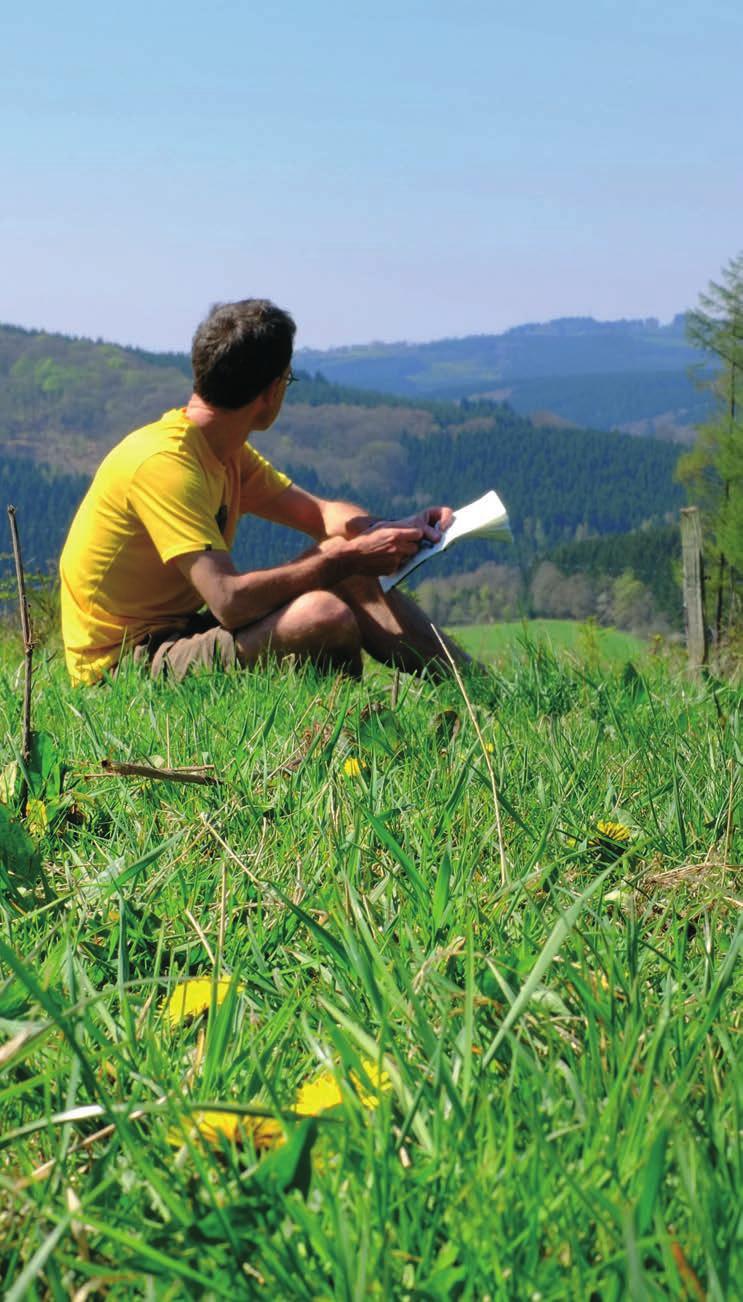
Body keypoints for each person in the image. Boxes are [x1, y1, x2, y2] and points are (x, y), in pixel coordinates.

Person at [60, 298, 469, 686]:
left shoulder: (222, 450)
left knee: (347, 561)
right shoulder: (164, 466)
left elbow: (322, 515)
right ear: (271, 392)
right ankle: (345, 740)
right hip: (121, 667)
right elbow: (228, 601)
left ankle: (480, 690)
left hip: (177, 632)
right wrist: (348, 557)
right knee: (323, 613)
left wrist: (389, 529)